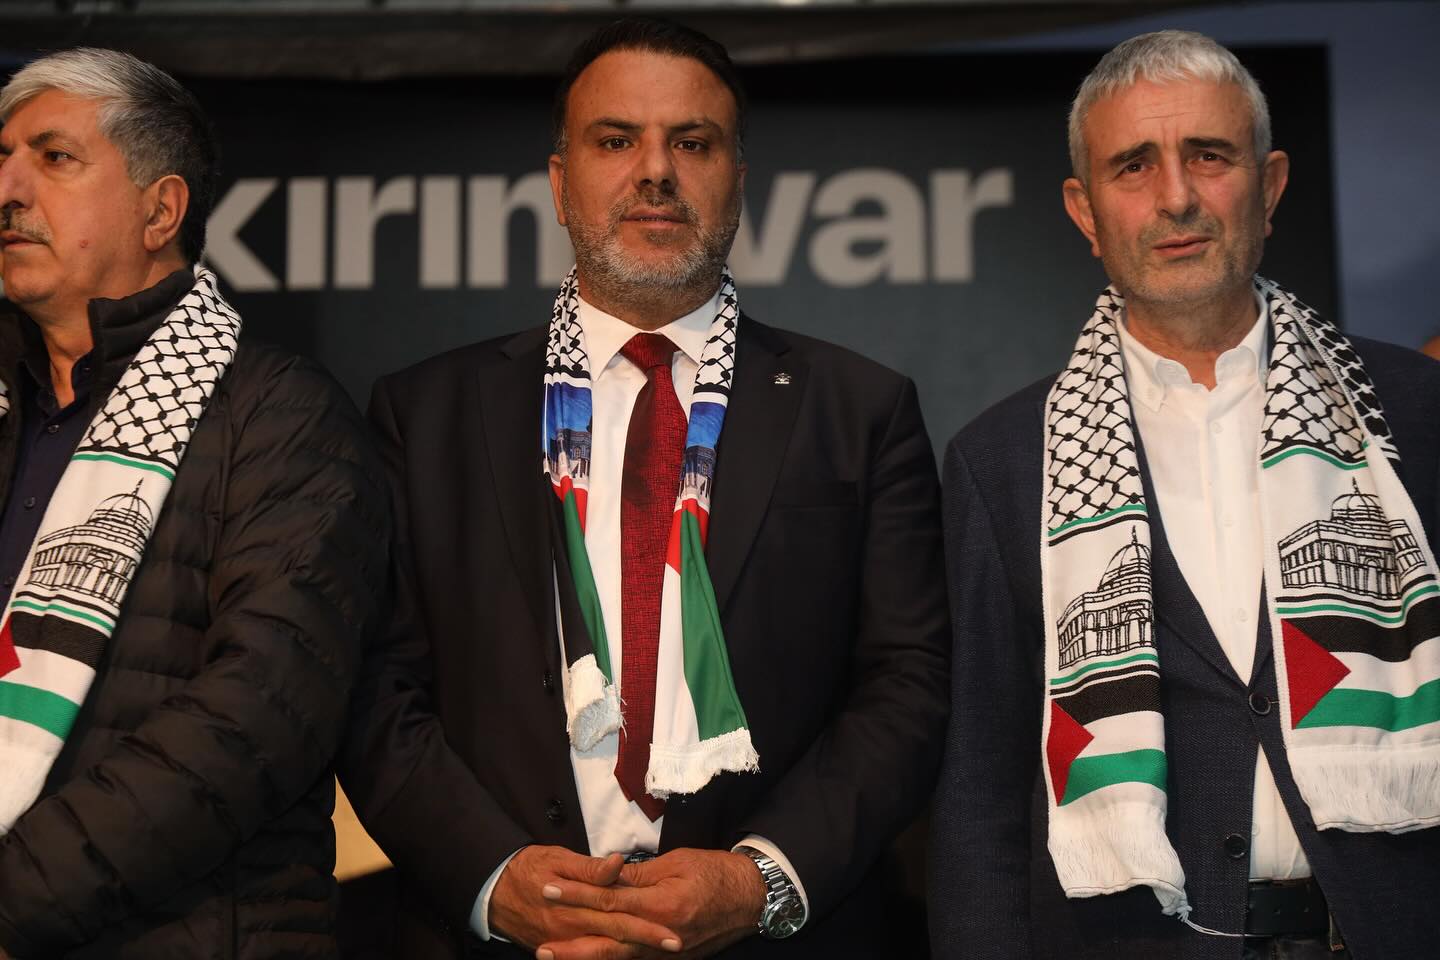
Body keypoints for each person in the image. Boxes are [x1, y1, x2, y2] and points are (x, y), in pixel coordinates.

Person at [339, 16, 949, 960]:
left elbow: (908, 685)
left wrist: (759, 879)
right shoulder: (425, 415)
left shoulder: (860, 409)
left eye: (692, 143)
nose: (656, 171)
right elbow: (375, 685)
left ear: (738, 181)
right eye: (616, 140)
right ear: (559, 183)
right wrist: (496, 878)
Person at [931, 29, 1440, 960]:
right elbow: (981, 791)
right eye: (1134, 166)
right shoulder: (1002, 461)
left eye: (1209, 155)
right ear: (1085, 212)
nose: (1175, 197)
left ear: (1269, 186)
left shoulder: (1412, 409)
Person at [0, 49, 388, 957]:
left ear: (160, 211)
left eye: (53, 158)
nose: (8, 189)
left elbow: (256, 716)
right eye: (2, 158)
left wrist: (12, 901)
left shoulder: (281, 415)